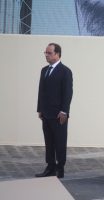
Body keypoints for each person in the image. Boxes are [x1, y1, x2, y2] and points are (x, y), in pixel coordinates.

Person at [36, 43, 73, 179]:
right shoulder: (44, 70)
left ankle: (60, 168)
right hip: (46, 113)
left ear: (57, 54)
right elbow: (41, 91)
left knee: (60, 141)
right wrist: (40, 109)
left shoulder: (65, 71)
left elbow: (68, 93)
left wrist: (64, 111)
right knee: (49, 141)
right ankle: (50, 167)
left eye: (49, 53)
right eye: (45, 52)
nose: (46, 55)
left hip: (59, 115)